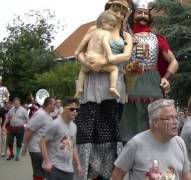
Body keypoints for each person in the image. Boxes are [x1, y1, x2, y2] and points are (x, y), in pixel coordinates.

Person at [74, 0, 133, 179]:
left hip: (113, 85)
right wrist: (89, 65)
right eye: (116, 10)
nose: (119, 15)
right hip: (92, 82)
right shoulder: (94, 30)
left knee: (111, 126)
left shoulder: (126, 36)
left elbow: (126, 55)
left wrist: (103, 62)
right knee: (88, 127)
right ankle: (87, 171)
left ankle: (107, 173)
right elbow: (79, 54)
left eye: (123, 13)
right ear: (107, 10)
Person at [120, 0, 179, 143]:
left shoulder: (157, 39)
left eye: (145, 13)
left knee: (154, 121)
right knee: (129, 125)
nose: (143, 16)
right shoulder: (124, 37)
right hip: (130, 84)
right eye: (139, 12)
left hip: (153, 85)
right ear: (133, 15)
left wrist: (166, 77)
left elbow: (174, 62)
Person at [112, 99, 191, 180]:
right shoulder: (135, 144)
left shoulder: (179, 142)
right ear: (155, 122)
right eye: (169, 118)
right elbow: (117, 175)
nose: (175, 122)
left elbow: (186, 175)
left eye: (176, 117)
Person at [74, 11, 120, 99]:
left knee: (83, 71)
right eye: (110, 25)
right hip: (98, 58)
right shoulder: (106, 33)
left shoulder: (93, 32)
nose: (111, 28)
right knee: (114, 69)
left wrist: (77, 51)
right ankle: (113, 87)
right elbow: (104, 43)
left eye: (113, 26)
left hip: (88, 57)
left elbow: (84, 41)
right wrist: (110, 54)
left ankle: (79, 88)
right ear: (103, 22)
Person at [40, 98, 81, 180]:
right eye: (72, 109)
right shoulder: (55, 124)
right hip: (55, 168)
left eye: (77, 110)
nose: (75, 112)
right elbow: (42, 142)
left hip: (69, 169)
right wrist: (47, 162)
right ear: (64, 108)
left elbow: (73, 146)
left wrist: (78, 164)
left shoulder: (74, 126)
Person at [21, 97, 55, 180]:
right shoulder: (40, 114)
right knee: (39, 174)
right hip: (37, 149)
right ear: (49, 105)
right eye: (54, 104)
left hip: (45, 149)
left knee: (45, 173)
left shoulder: (48, 115)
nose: (55, 106)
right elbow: (28, 130)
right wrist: (24, 146)